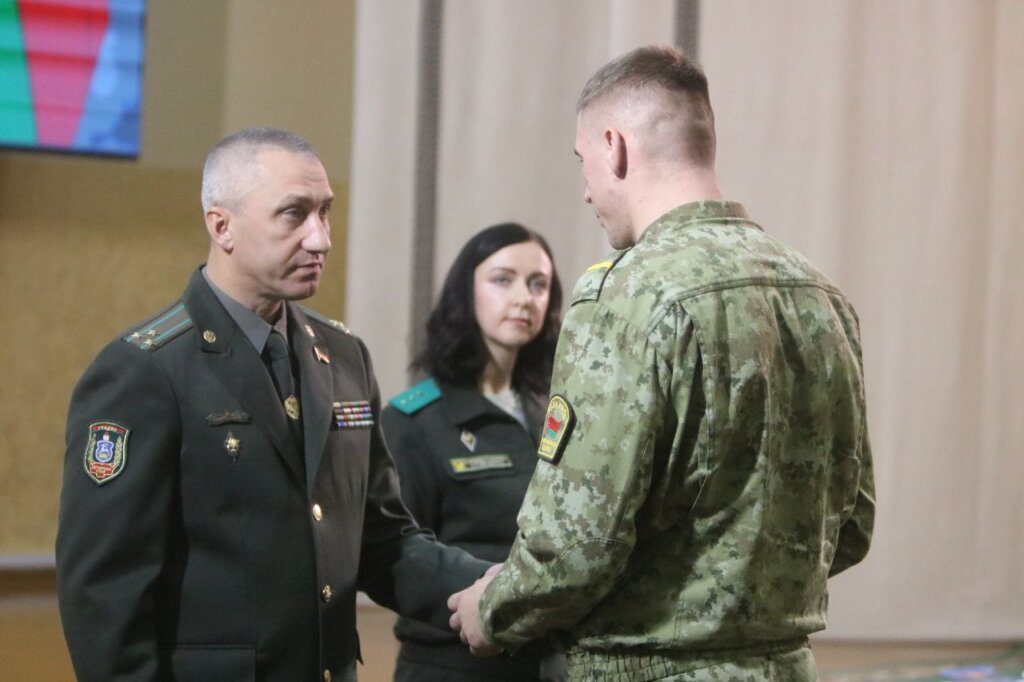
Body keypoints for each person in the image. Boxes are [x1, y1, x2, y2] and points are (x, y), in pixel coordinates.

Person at [448, 45, 876, 681]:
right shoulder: (821, 296)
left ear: (615, 148)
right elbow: (852, 523)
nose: (586, 191)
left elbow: (577, 541)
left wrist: (493, 610)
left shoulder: (624, 295)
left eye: (583, 162)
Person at [55, 127, 490, 682]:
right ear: (222, 226)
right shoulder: (145, 371)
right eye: (294, 214)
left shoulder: (343, 356)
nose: (320, 239)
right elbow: (104, 593)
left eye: (325, 212)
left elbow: (381, 541)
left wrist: (497, 587)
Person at [381, 223, 565, 681]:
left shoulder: (557, 411)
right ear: (466, 293)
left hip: (546, 662)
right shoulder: (415, 421)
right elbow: (396, 555)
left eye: (538, 284)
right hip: (454, 664)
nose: (523, 298)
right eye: (503, 280)